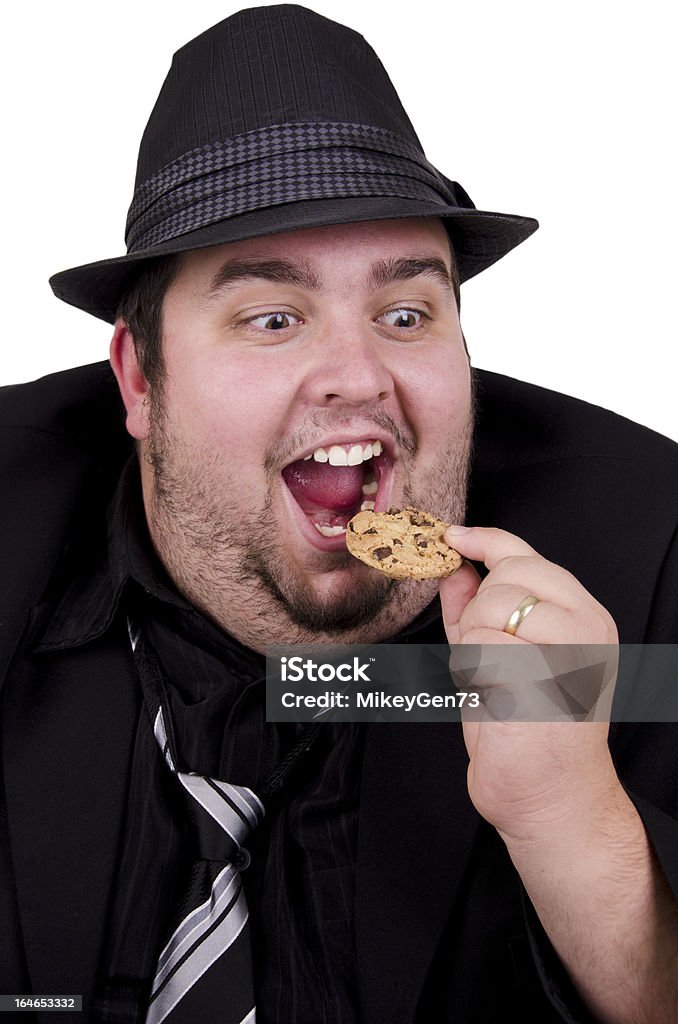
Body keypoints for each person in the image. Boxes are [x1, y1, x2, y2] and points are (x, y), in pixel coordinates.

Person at [1, 6, 677, 1023]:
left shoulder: (647, 546)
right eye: (272, 318)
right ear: (141, 380)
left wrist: (572, 819)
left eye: (406, 314)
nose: (358, 375)